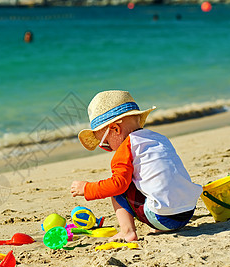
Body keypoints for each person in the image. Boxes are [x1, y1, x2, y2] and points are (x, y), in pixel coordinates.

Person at [70, 90, 202, 242]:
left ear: (115, 129)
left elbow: (117, 185)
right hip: (187, 211)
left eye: (105, 143)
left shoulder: (126, 148)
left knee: (118, 188)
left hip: (164, 217)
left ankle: (127, 232)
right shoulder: (159, 138)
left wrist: (87, 188)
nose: (109, 148)